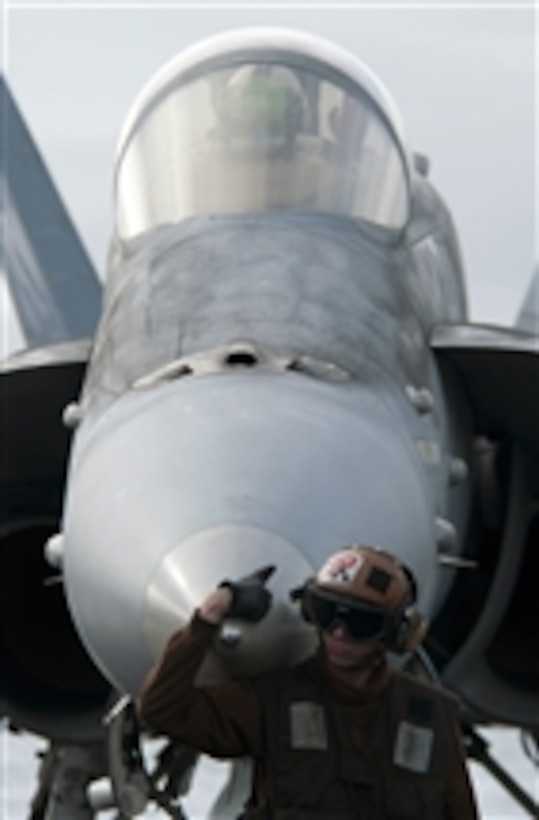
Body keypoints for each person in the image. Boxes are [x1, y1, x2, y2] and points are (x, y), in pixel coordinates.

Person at [138, 544, 479, 818]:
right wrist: (210, 614)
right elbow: (162, 709)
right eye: (327, 613)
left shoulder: (430, 716)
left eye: (360, 622)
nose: (339, 632)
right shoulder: (273, 702)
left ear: (395, 634)